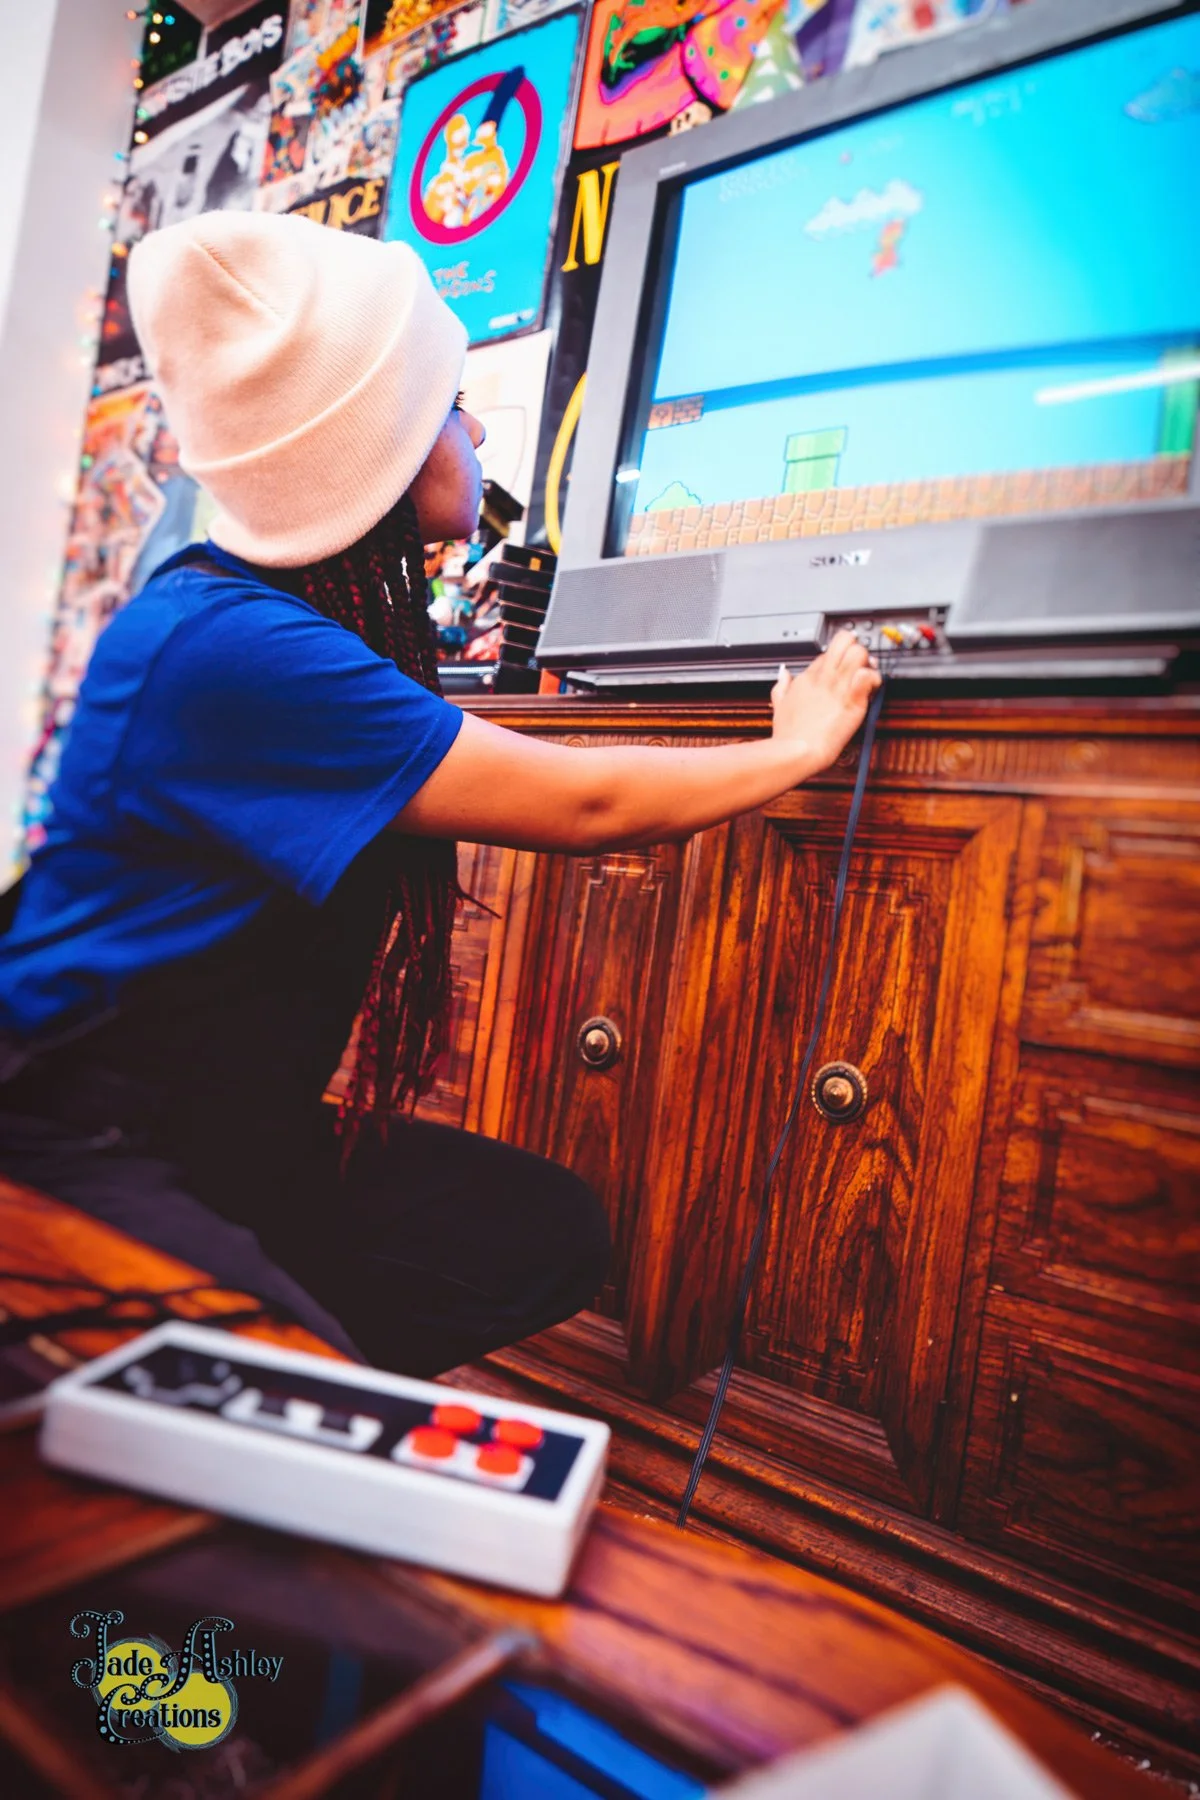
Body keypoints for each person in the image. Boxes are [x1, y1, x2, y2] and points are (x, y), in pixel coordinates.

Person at [0, 212, 879, 1375]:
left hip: (220, 1129)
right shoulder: (231, 647)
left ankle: (267, 1346)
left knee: (535, 1235)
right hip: (75, 1142)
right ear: (381, 439)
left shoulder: (268, 629)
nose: (470, 429)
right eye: (450, 404)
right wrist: (792, 747)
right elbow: (585, 808)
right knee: (275, 1404)